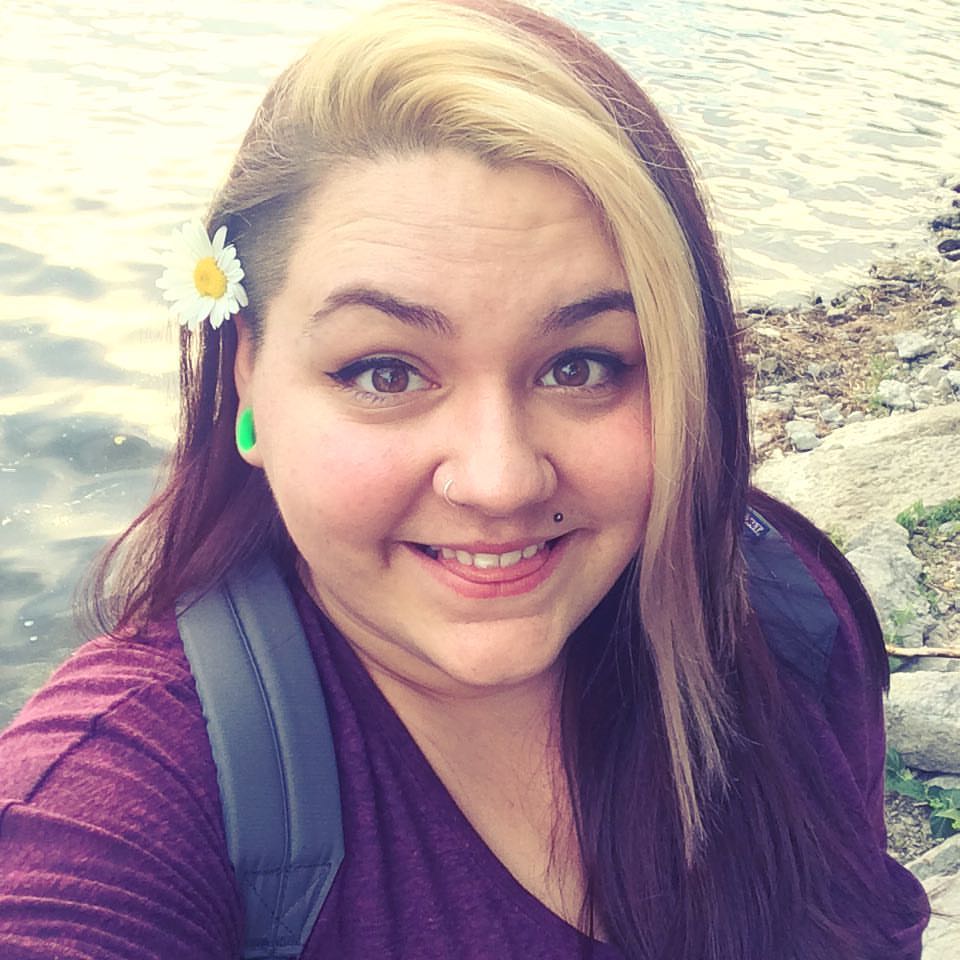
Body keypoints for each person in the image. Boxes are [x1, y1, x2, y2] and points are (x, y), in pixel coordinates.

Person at [0, 1, 931, 957]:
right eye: (385, 373)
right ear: (248, 376)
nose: (499, 480)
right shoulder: (122, 793)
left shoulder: (782, 613)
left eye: (581, 366)